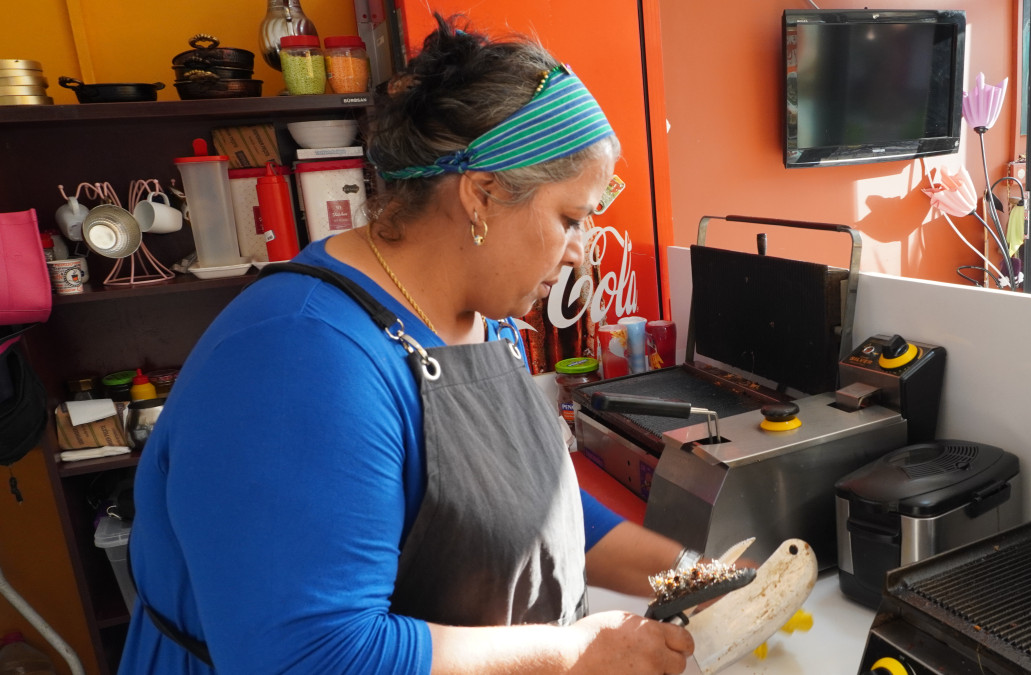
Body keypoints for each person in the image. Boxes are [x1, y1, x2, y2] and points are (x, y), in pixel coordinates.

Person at [120, 16, 700, 674]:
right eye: (570, 218)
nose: (580, 255)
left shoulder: (486, 316)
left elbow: (535, 510)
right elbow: (309, 656)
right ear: (481, 194)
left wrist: (686, 573)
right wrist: (572, 652)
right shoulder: (298, 357)